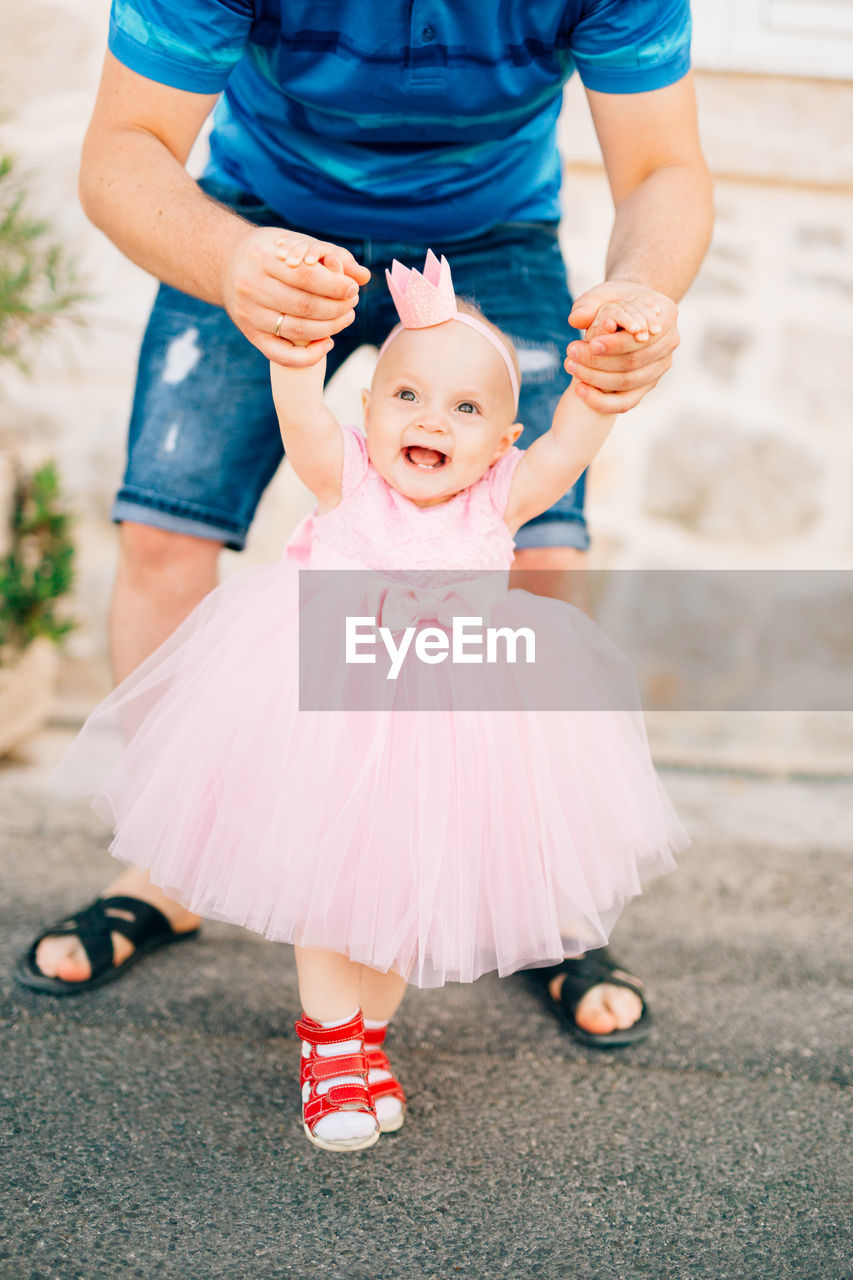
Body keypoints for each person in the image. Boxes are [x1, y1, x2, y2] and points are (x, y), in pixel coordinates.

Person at [17, 0, 713, 1043]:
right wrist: (229, 261)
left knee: (544, 560)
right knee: (165, 528)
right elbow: (124, 151)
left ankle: (536, 894)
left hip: (493, 231)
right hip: (255, 218)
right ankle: (172, 867)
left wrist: (642, 294)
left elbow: (663, 166)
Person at [47, 252, 689, 1151]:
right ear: (369, 411)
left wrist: (603, 376)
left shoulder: (499, 503)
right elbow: (298, 412)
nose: (433, 420)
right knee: (329, 889)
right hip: (332, 721)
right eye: (408, 397)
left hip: (450, 733)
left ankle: (366, 1040)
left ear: (502, 443)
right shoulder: (345, 480)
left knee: (404, 897)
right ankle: (327, 1047)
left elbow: (573, 439)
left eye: (466, 410)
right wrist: (296, 350)